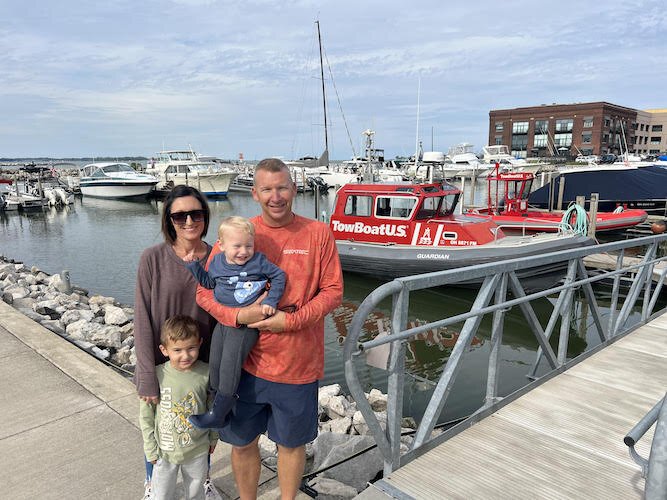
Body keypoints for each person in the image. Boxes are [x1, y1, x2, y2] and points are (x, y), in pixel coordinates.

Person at [196, 158, 343, 499]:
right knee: (242, 442)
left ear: (293, 188)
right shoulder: (238, 234)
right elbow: (203, 292)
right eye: (267, 189)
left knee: (291, 445)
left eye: (282, 187)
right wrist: (237, 317)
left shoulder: (318, 233)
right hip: (246, 365)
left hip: (298, 366)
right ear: (255, 194)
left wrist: (291, 321)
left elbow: (334, 291)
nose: (276, 196)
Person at [134, 185, 220, 500]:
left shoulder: (218, 258)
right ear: (169, 219)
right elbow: (142, 316)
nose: (188, 221)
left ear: (204, 216)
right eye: (179, 215)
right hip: (163, 366)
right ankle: (151, 483)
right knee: (160, 427)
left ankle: (203, 481)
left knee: (200, 425)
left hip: (203, 365)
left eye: (195, 213)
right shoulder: (152, 258)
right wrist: (146, 374)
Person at [185, 216, 286, 429]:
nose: (243, 251)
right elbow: (209, 283)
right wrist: (194, 266)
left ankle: (218, 414)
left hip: (244, 327)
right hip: (224, 320)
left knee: (230, 365)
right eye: (237, 246)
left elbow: (279, 276)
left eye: (248, 245)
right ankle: (214, 404)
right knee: (216, 361)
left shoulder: (258, 261)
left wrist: (270, 300)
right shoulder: (218, 262)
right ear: (221, 245)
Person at [139, 315, 218, 500]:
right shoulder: (157, 375)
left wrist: (213, 437)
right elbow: (146, 416)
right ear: (164, 350)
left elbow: (212, 409)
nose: (185, 355)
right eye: (177, 350)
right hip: (164, 453)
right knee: (161, 495)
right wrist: (150, 448)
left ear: (200, 343)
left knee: (195, 493)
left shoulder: (206, 373)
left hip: (197, 450)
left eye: (191, 348)